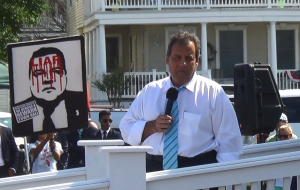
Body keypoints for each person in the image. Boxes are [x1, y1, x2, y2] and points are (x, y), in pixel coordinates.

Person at [120, 30, 243, 172]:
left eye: (189, 58)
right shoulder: (150, 91)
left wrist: (221, 180)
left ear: (197, 61)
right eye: (177, 58)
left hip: (198, 172)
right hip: (153, 171)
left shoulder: (213, 93)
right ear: (167, 59)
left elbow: (229, 144)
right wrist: (152, 126)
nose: (182, 63)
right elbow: (126, 129)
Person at [12, 47, 87, 136]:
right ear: (29, 80)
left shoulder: (78, 102)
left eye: (55, 71)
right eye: (39, 73)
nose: (47, 79)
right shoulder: (21, 109)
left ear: (65, 75)